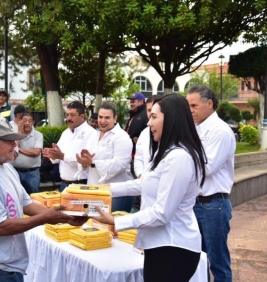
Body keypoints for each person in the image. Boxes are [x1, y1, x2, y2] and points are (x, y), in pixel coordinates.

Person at [95, 94, 206, 282]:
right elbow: (145, 183)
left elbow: (162, 213)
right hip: (161, 246)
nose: (148, 124)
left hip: (173, 248)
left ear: (171, 119)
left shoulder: (179, 158)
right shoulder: (167, 152)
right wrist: (105, 190)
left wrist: (116, 221)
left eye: (154, 117)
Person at [0, 116, 86, 282]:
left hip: (7, 265)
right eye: (9, 141)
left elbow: (25, 203)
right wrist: (45, 218)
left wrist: (66, 217)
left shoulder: (5, 167)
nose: (15, 145)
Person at [186, 85, 236, 282]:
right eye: (188, 105)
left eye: (194, 105)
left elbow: (205, 168)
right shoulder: (196, 129)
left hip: (213, 205)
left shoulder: (220, 131)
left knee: (218, 263)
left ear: (209, 104)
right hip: (196, 204)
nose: (190, 110)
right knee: (197, 260)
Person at [76, 103, 134, 212]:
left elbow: (120, 164)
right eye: (100, 117)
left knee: (114, 227)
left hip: (116, 193)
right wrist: (83, 162)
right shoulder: (93, 135)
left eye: (107, 117)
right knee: (95, 225)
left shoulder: (122, 137)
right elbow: (87, 159)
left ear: (115, 118)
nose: (103, 121)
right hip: (94, 190)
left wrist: (92, 163)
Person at [42, 101, 97, 192]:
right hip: (64, 184)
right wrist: (53, 155)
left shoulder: (91, 133)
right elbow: (58, 159)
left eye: (72, 115)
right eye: (67, 115)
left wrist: (62, 156)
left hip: (82, 185)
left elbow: (85, 162)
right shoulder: (66, 133)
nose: (68, 118)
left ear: (82, 116)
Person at [12, 112, 43, 194]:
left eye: (30, 121)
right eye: (24, 121)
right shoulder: (14, 134)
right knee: (16, 197)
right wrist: (19, 132)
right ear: (20, 122)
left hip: (32, 173)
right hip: (15, 172)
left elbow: (36, 152)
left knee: (33, 197)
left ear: (33, 122)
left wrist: (19, 149)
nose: (27, 123)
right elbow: (12, 150)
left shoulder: (38, 135)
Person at [134, 95, 157, 179]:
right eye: (149, 110)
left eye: (154, 110)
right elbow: (138, 158)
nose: (151, 113)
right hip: (143, 183)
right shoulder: (144, 133)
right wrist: (140, 175)